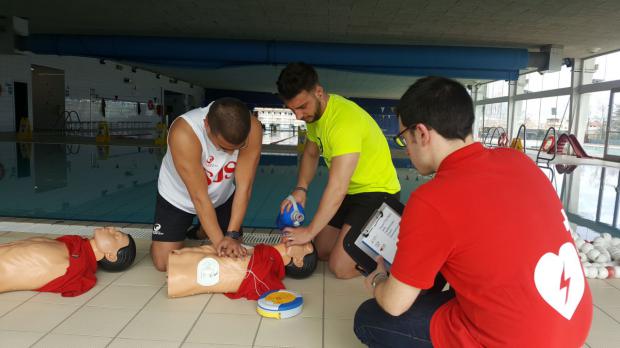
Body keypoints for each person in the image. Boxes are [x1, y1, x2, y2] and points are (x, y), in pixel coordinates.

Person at [353, 77, 592, 347]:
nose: (406, 149)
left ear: (421, 133)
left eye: (403, 139)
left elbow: (394, 305)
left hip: (514, 340)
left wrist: (379, 281)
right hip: (572, 327)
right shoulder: (517, 160)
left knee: (369, 317)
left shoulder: (433, 199)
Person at [276, 62, 400, 279]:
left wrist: (309, 231)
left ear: (319, 92)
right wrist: (301, 189)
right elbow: (311, 153)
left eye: (302, 107)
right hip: (353, 193)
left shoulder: (343, 122)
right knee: (323, 251)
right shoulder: (315, 117)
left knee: (340, 269)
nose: (297, 116)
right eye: (292, 109)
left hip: (378, 194)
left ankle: (394, 254)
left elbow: (337, 187)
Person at [151, 97, 263, 271]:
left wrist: (231, 235)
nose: (231, 153)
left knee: (234, 249)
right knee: (164, 263)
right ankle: (203, 227)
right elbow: (199, 196)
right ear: (207, 125)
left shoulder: (253, 128)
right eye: (223, 148)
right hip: (178, 197)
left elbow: (244, 186)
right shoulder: (184, 133)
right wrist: (221, 244)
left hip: (222, 196)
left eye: (237, 148)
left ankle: (202, 230)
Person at [0, 227, 136, 297]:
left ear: (111, 256)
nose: (112, 229)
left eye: (116, 236)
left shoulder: (65, 265)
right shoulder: (69, 247)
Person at [167, 242, 317, 299]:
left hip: (183, 277)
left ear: (298, 261)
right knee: (216, 252)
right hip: (232, 258)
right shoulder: (264, 253)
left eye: (304, 244)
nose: (300, 238)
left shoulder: (266, 269)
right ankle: (178, 262)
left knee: (223, 266)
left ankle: (177, 274)